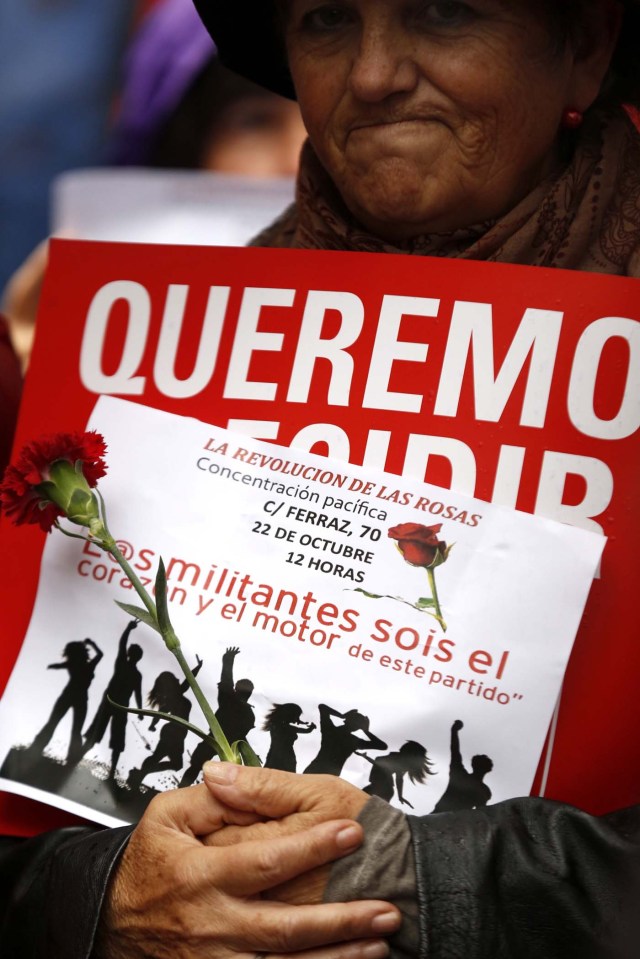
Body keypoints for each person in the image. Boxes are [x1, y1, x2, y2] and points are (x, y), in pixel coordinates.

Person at [1, 1, 640, 956]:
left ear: (584, 48)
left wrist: (425, 878)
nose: (374, 72)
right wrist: (98, 897)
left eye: (443, 10)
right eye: (328, 20)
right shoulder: (155, 366)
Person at [81, 619, 144, 780]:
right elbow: (137, 693)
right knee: (104, 733)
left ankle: (107, 770)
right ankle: (84, 759)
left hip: (118, 704)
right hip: (115, 703)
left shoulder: (126, 666)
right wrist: (140, 710)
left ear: (132, 655)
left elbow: (137, 693)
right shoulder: (128, 668)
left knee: (108, 735)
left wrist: (129, 629)